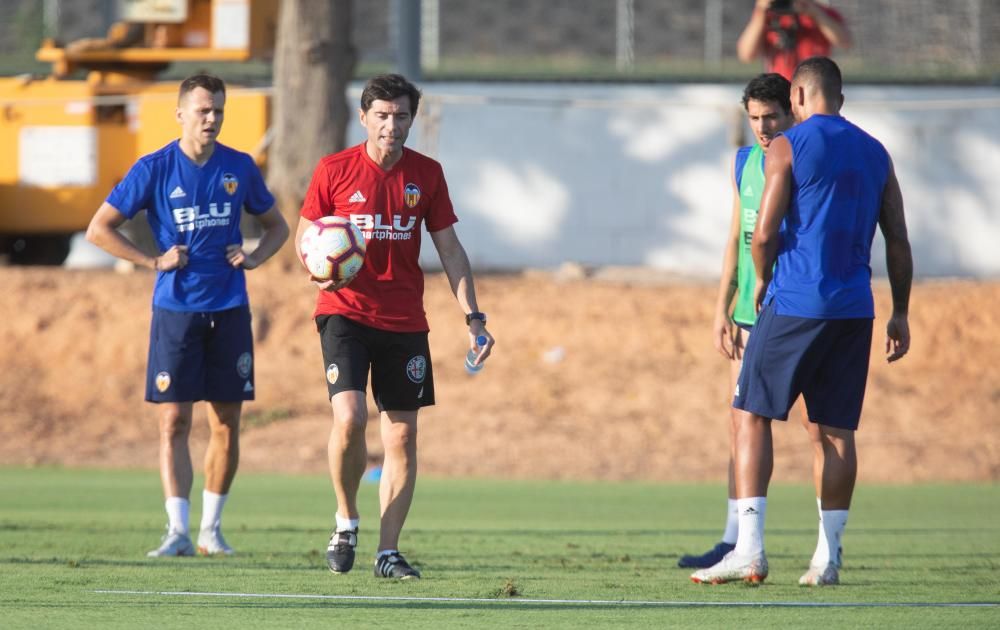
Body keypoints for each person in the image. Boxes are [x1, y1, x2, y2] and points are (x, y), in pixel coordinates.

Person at [690, 56, 912, 586]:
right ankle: (827, 559)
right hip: (855, 310)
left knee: (748, 413)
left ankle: (749, 548)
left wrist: (760, 280)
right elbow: (898, 239)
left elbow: (764, 231)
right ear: (839, 95)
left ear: (799, 97)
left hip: (794, 303)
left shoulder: (790, 145)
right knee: (835, 434)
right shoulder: (877, 152)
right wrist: (901, 311)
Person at [296, 73, 495, 580]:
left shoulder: (426, 174)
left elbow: (449, 248)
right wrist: (320, 263)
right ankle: (345, 522)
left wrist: (473, 316)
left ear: (412, 119)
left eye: (401, 116)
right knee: (350, 418)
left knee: (402, 437)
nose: (392, 125)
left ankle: (387, 552)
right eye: (382, 116)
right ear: (364, 118)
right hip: (344, 311)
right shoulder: (334, 170)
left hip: (406, 319)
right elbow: (307, 236)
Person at [86, 74, 289, 557]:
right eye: (202, 110)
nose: (212, 118)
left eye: (218, 110)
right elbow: (99, 229)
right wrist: (153, 261)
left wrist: (256, 257)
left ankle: (211, 531)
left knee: (225, 422)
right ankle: (176, 530)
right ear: (180, 114)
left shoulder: (238, 167)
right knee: (173, 421)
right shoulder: (153, 168)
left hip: (230, 309)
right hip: (175, 310)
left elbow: (277, 226)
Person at [678, 73, 830, 570]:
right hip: (748, 316)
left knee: (818, 428)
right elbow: (736, 239)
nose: (763, 128)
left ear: (793, 113)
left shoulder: (804, 161)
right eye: (755, 119)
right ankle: (735, 538)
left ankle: (827, 544)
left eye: (772, 118)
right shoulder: (744, 162)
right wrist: (722, 307)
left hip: (792, 310)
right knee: (739, 423)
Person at [737, 0, 851, 81]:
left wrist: (815, 13)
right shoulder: (769, 15)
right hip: (780, 89)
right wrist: (761, 11)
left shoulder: (820, 12)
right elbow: (746, 55)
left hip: (814, 85)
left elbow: (845, 42)